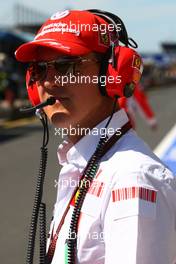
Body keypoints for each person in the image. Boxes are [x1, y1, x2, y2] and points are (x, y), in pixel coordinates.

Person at [15, 9, 176, 264]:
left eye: (65, 66)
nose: (48, 82)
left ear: (112, 74)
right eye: (39, 69)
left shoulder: (131, 179)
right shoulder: (81, 162)